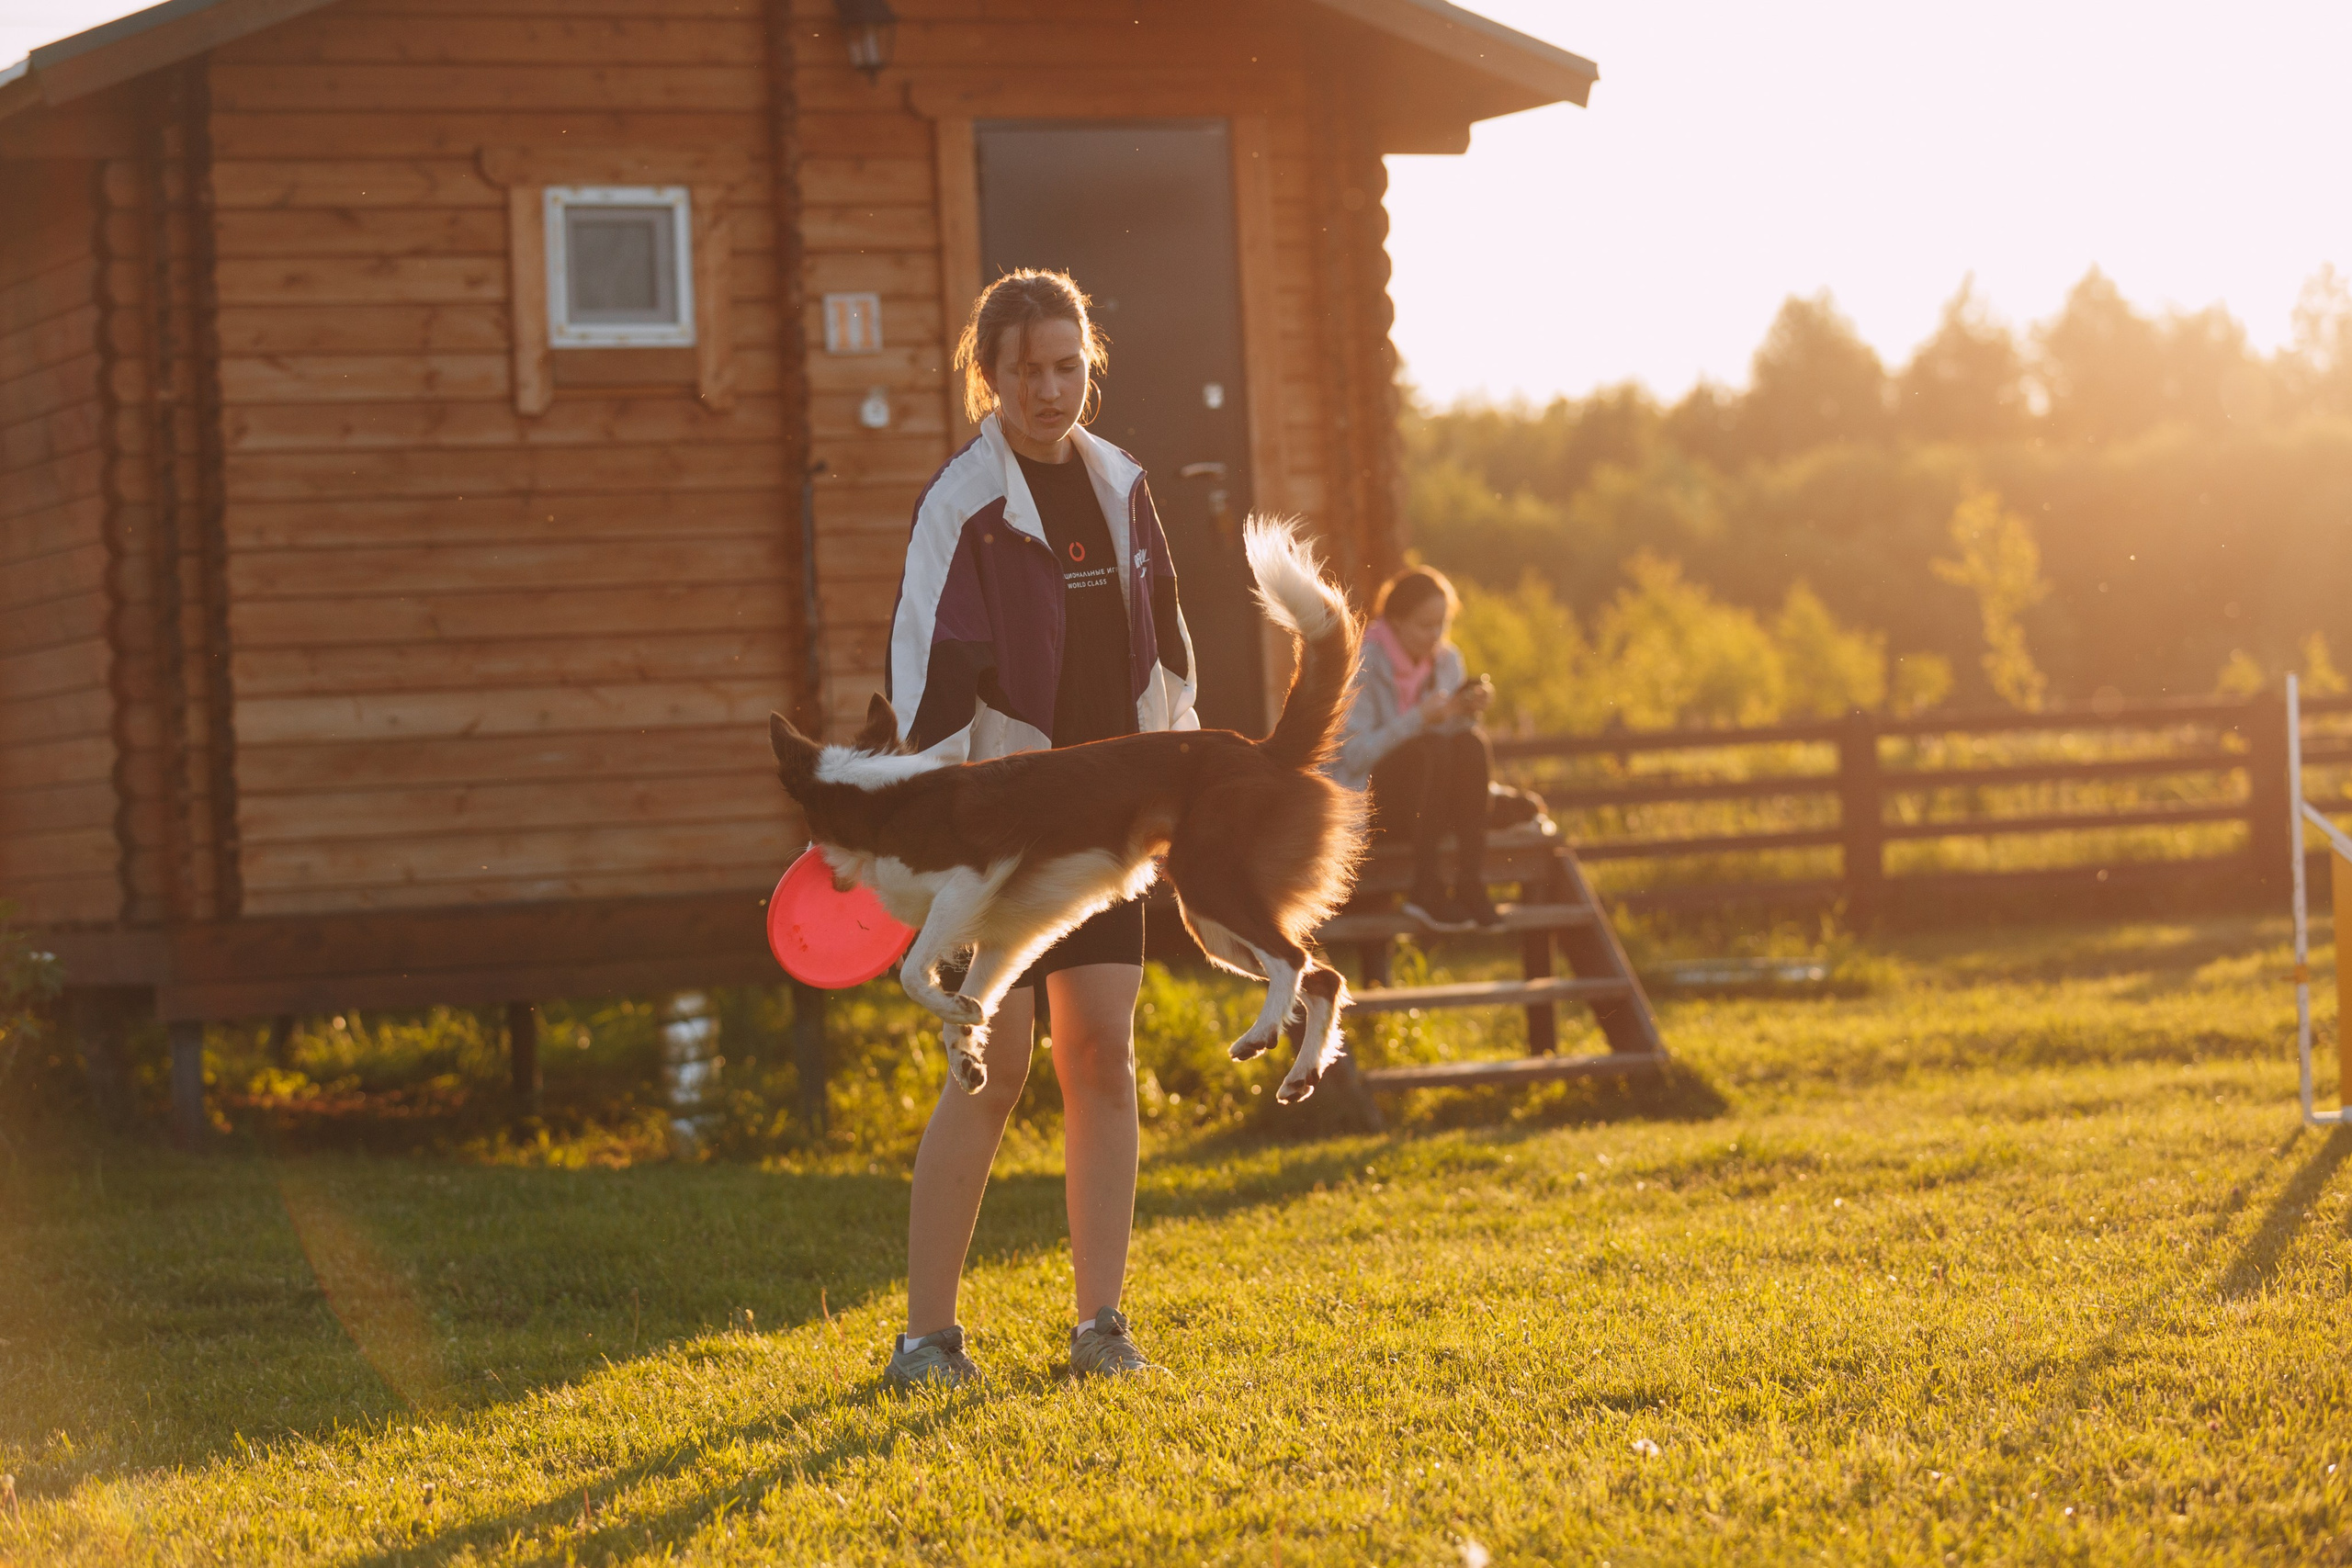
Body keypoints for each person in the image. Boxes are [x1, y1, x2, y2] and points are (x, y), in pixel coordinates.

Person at [878, 269, 1197, 1386]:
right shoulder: (959, 508)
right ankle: (926, 1339)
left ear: (1087, 369)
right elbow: (924, 684)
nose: (1051, 390)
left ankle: (1099, 1326)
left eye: (1068, 368)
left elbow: (1166, 655)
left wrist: (1173, 786)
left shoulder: (1124, 487)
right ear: (990, 377)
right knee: (991, 1069)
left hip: (1105, 834)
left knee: (1101, 1060)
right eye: (1028, 371)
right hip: (996, 844)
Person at [1330, 563, 1501, 931]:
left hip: (1435, 802)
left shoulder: (1446, 658)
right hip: (1379, 803)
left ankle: (1470, 883)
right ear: (1395, 621)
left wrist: (1465, 710)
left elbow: (1455, 741)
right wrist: (1419, 719)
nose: (1435, 635)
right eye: (1425, 625)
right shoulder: (1363, 662)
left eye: (1442, 624)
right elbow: (1356, 756)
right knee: (1429, 751)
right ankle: (1425, 888)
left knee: (1470, 745)